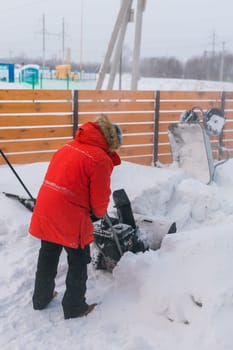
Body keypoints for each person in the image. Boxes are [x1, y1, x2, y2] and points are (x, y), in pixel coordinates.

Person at [29, 114, 122, 319]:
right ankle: (74, 307)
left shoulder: (68, 146)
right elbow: (99, 202)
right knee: (79, 259)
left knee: (48, 253)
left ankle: (41, 298)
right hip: (69, 214)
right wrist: (97, 215)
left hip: (46, 207)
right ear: (111, 143)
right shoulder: (99, 160)